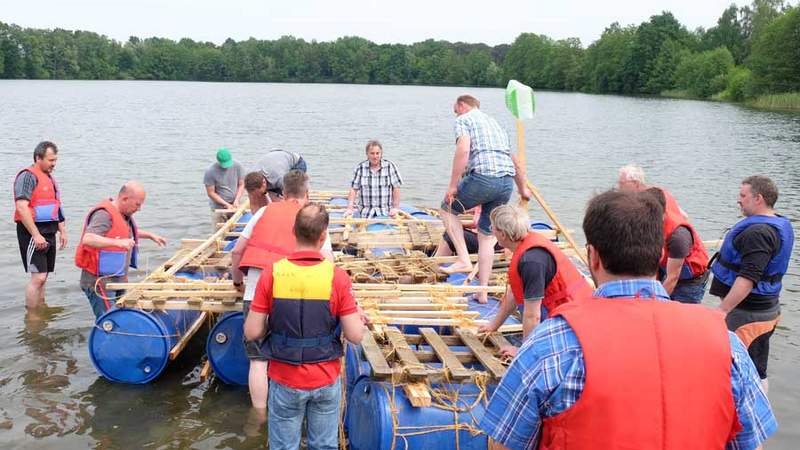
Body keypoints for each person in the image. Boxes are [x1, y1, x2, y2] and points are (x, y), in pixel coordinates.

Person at [481, 190, 776, 450]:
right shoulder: (727, 344)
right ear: (660, 254)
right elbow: (751, 443)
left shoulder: (552, 342)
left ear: (592, 257)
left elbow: (504, 443)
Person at [244, 203, 364, 450]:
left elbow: (252, 332)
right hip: (325, 378)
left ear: (294, 232)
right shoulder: (337, 277)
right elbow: (355, 335)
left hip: (284, 377)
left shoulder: (272, 274)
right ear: (323, 237)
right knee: (323, 445)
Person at [231, 170, 333, 411]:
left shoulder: (265, 211)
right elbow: (327, 262)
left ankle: (259, 415)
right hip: (290, 296)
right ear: (306, 194)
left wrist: (237, 283)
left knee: (257, 360)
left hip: (255, 291)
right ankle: (291, 410)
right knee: (288, 354)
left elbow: (237, 251)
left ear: (284, 193)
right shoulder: (311, 218)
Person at [440, 94, 531, 303]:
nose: (455, 113)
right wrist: (523, 188)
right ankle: (482, 292)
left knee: (447, 209)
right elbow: (513, 161)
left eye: (455, 109)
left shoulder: (464, 119)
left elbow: (463, 150)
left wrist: (453, 185)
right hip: (505, 183)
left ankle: (463, 259)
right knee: (487, 237)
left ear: (462, 106)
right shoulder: (496, 124)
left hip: (483, 177)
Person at [710, 175, 794, 394]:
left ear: (758, 199)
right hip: (761, 309)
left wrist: (722, 310)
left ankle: (751, 418)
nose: (739, 200)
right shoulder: (775, 223)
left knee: (748, 370)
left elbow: (749, 277)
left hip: (749, 314)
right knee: (757, 366)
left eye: (743, 195)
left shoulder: (759, 233)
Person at [479, 205, 592, 357]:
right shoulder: (524, 246)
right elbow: (513, 294)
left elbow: (532, 315)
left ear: (503, 235)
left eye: (493, 227)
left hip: (573, 320)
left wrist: (523, 353)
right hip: (567, 311)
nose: (491, 230)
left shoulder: (531, 262)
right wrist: (493, 325)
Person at [75, 182, 167, 319]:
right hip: (99, 282)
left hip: (117, 277)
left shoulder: (123, 214)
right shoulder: (103, 215)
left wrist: (149, 235)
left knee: (121, 317)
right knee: (109, 320)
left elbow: (124, 232)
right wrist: (118, 243)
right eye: (137, 204)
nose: (139, 209)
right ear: (124, 199)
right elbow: (88, 238)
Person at [14, 141, 67, 309]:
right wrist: (36, 235)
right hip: (32, 232)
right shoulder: (27, 176)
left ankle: (41, 308)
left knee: (44, 277)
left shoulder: (49, 178)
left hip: (49, 231)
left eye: (55, 160)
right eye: (51, 160)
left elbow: (56, 206)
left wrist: (62, 230)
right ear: (38, 158)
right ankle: (32, 315)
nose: (54, 164)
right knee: (38, 277)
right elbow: (22, 207)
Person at [644, 187, 710, 303]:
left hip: (689, 284)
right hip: (667, 271)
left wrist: (654, 304)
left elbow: (672, 278)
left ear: (663, 212)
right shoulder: (651, 224)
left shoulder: (678, 236)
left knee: (679, 317)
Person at [344, 140, 404, 218]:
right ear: (367, 154)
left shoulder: (390, 167)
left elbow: (396, 188)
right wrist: (350, 208)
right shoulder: (360, 168)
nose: (375, 156)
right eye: (372, 153)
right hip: (365, 213)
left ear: (381, 154)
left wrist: (395, 208)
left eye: (377, 153)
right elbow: (353, 189)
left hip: (385, 212)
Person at [204, 148, 245, 229]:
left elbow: (241, 184)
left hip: (234, 203)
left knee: (237, 228)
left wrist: (236, 200)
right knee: (219, 230)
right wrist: (226, 204)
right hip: (218, 206)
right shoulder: (210, 171)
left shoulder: (238, 166)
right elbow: (211, 193)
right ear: (218, 161)